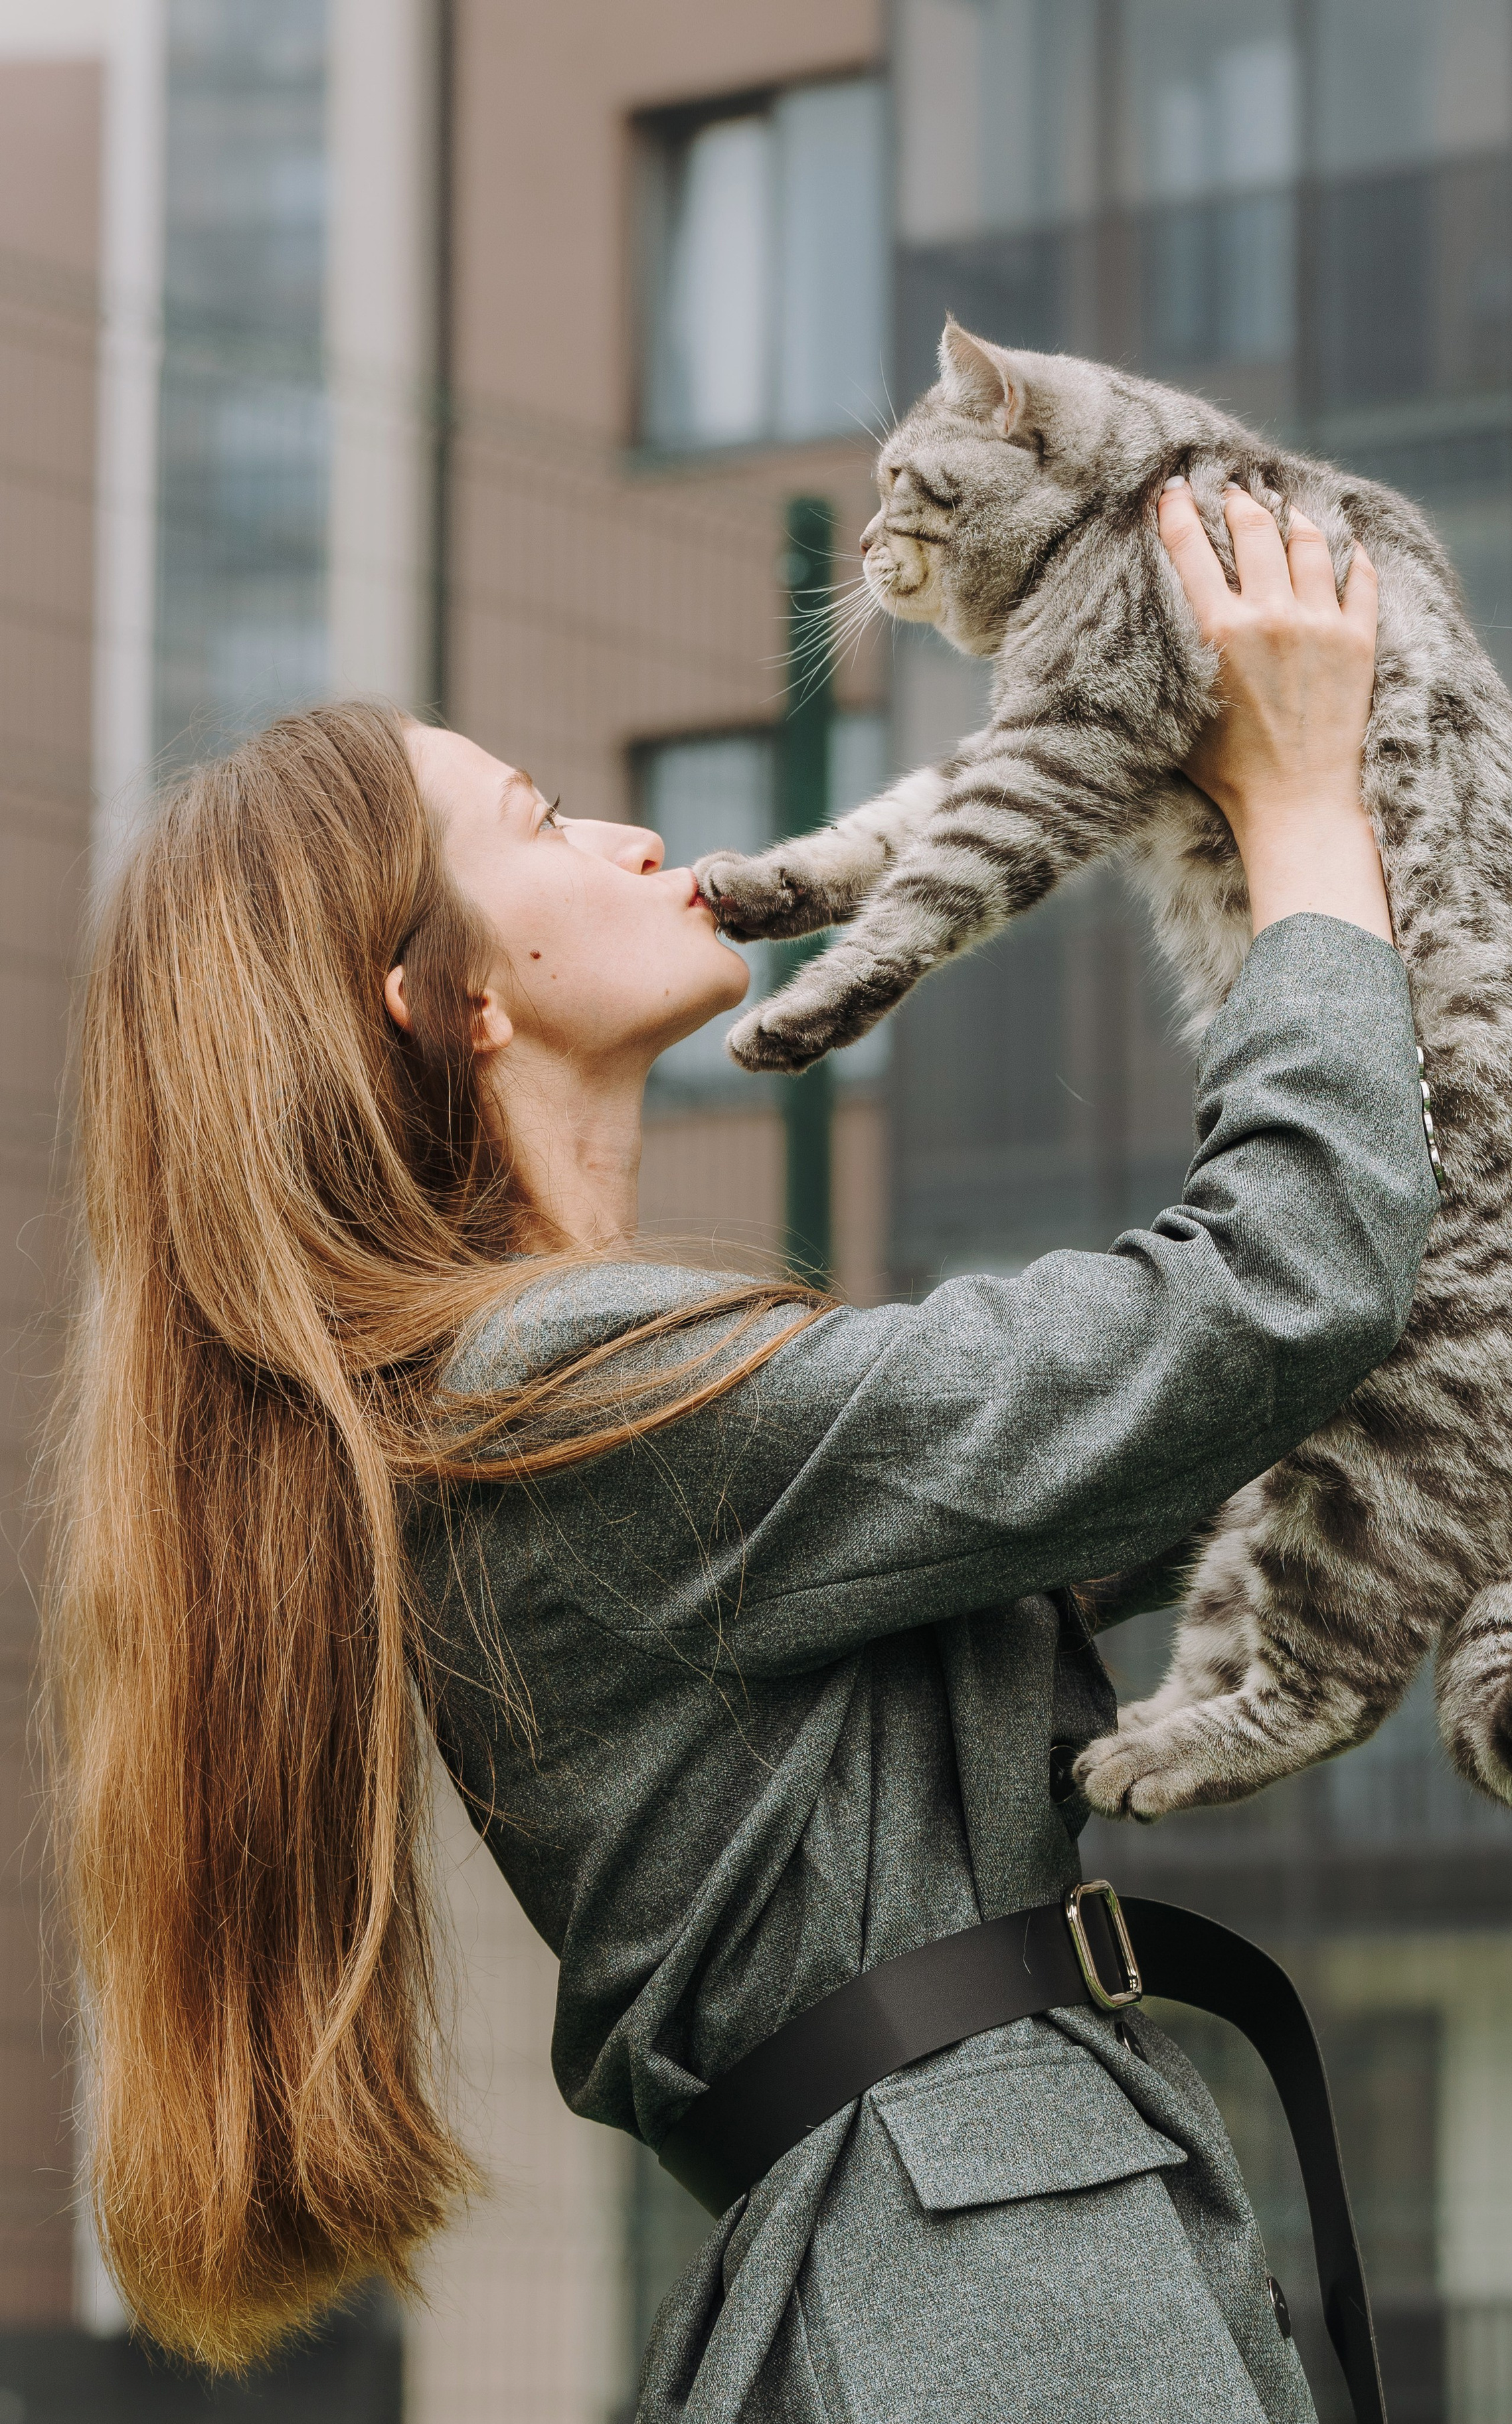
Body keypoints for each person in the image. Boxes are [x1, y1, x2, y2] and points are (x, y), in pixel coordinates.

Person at [47, 485, 1434, 2421]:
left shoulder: (532, 1410)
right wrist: (1297, 806)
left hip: (950, 2257)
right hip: (987, 2281)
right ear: (440, 990)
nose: (628, 834)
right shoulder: (562, 1394)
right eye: (540, 821)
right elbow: (1281, 1288)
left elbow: (1175, 1422)